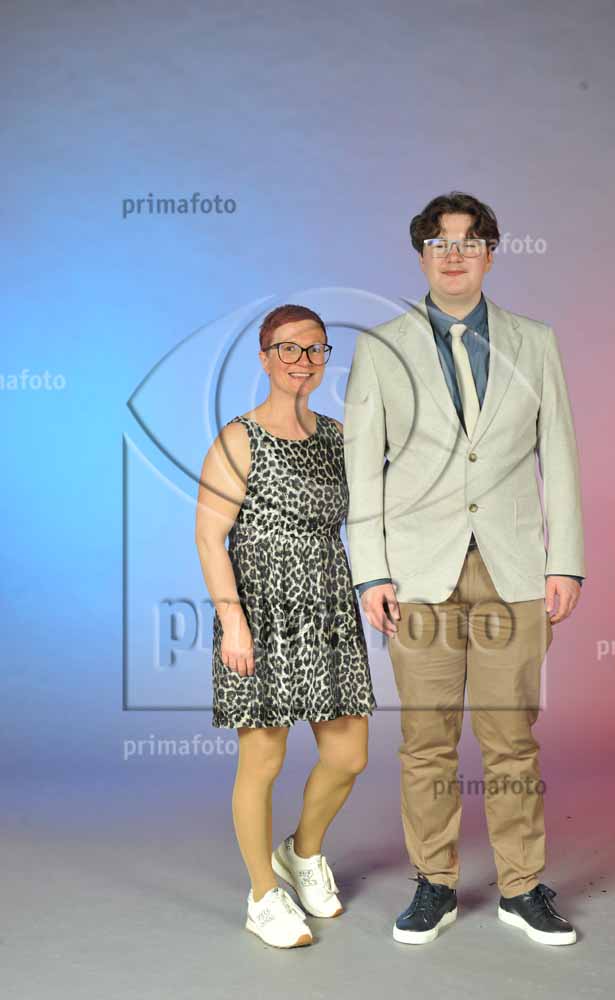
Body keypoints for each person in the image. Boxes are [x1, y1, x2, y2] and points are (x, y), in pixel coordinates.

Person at [343, 191, 585, 947]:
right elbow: (362, 468)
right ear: (421, 255)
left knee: (512, 739)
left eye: (470, 241)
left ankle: (521, 887)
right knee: (426, 741)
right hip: (417, 575)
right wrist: (371, 572)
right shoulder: (380, 349)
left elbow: (560, 455)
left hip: (515, 571)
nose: (454, 255)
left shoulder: (534, 342)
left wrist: (566, 562)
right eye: (440, 243)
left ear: (490, 253)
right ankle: (435, 883)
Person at [195, 303, 376, 949]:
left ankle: (301, 853)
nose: (303, 361)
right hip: (260, 612)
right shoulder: (239, 437)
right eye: (289, 349)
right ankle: (262, 896)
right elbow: (209, 538)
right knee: (263, 759)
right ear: (266, 357)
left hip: (328, 608)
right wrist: (232, 622)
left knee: (349, 755)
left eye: (316, 349)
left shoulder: (338, 437)